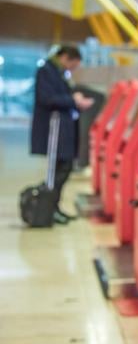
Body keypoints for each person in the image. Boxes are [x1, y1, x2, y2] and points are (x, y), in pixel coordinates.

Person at [30, 45, 94, 225]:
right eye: (72, 65)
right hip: (53, 130)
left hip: (63, 131)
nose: (71, 70)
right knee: (55, 173)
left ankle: (54, 207)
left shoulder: (57, 72)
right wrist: (73, 100)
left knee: (64, 168)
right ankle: (47, 210)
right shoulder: (47, 71)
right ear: (65, 57)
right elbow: (46, 98)